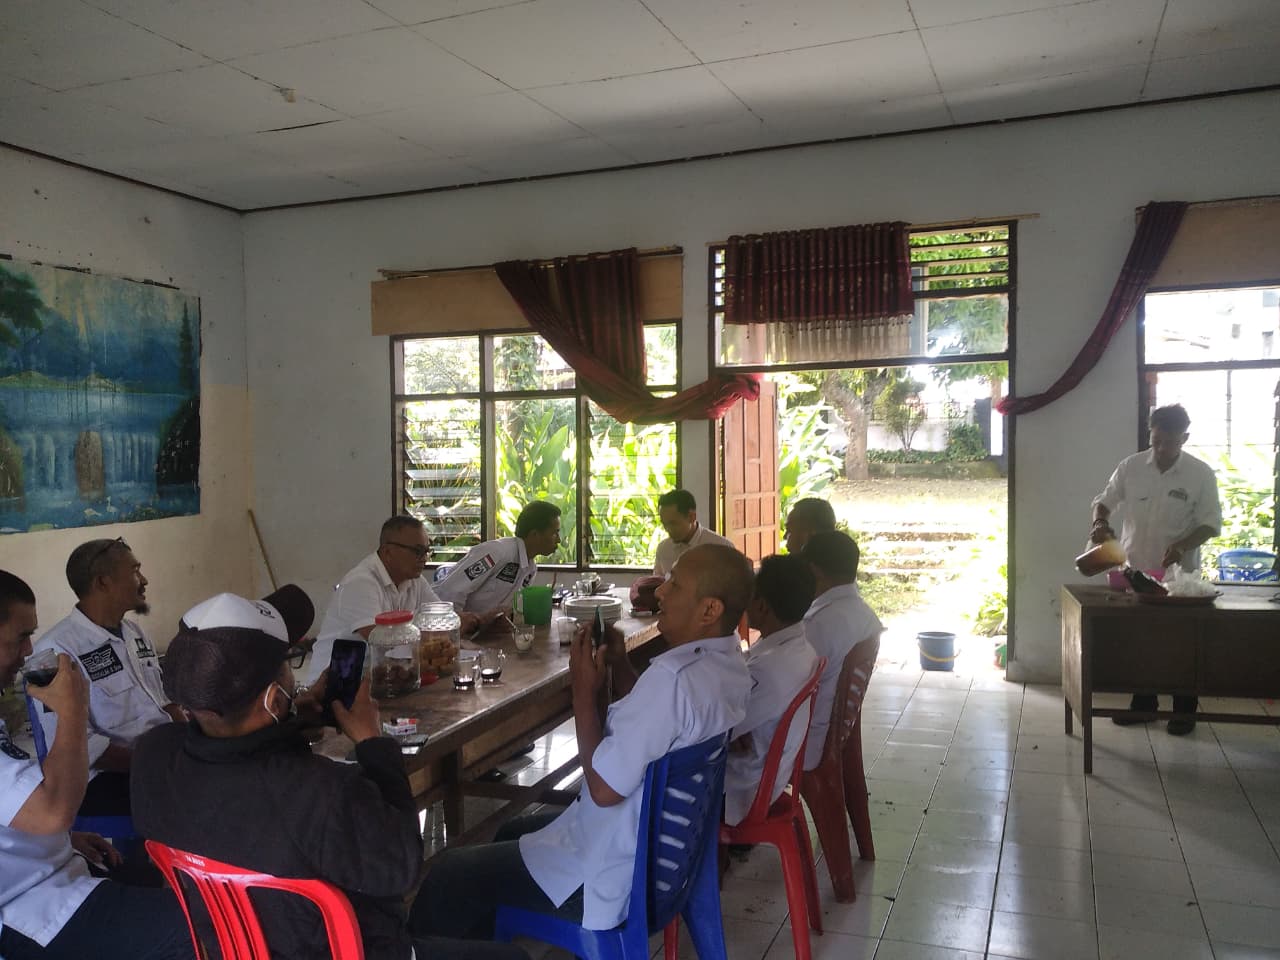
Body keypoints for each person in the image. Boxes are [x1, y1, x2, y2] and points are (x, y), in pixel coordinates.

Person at [130, 589, 526, 960]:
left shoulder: (152, 757)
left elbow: (241, 772)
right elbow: (400, 866)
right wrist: (372, 742)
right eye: (289, 665)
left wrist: (291, 722)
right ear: (272, 699)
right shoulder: (323, 791)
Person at [411, 543, 754, 939]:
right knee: (512, 831)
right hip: (667, 859)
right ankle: (497, 941)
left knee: (448, 873)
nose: (660, 591)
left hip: (616, 877)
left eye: (674, 584)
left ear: (709, 610)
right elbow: (656, 725)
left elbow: (604, 790)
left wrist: (582, 694)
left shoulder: (673, 681)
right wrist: (619, 663)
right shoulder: (726, 663)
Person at [0, 570, 191, 960]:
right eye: (20, 637)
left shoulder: (133, 633)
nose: (28, 650)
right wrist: (72, 710)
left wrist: (60, 841)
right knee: (208, 931)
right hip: (29, 907)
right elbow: (53, 812)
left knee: (180, 892)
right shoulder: (64, 646)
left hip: (55, 869)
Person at [1090, 403, 1222, 735]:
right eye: (1156, 441)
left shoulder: (1200, 474)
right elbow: (1104, 501)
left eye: (1170, 442)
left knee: (1181, 645)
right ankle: (1144, 706)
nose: (1162, 449)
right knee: (1141, 642)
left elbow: (1210, 524)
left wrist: (1181, 546)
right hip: (1136, 572)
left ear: (1184, 438)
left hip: (1179, 579)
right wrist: (1100, 523)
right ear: (1150, 435)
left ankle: (1184, 712)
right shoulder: (1131, 467)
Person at [32, 538, 178, 817]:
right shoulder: (55, 651)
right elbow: (78, 747)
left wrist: (192, 740)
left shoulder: (135, 633)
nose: (143, 580)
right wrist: (155, 763)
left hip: (158, 758)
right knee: (199, 796)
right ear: (103, 582)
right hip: (103, 778)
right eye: (135, 571)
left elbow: (163, 701)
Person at [307, 515, 474, 685]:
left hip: (384, 678)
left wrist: (471, 621)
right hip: (333, 685)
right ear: (388, 552)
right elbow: (382, 642)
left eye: (426, 552)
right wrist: (438, 638)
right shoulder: (361, 582)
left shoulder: (414, 579)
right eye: (417, 551)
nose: (424, 558)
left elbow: (441, 618)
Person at [724, 554, 819, 826]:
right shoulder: (800, 648)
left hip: (743, 788)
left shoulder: (768, 669)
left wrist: (728, 734)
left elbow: (718, 732)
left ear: (762, 606)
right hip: (769, 774)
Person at [799, 531, 882, 770]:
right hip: (830, 734)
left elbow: (787, 683)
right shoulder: (862, 613)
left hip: (807, 743)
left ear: (813, 571)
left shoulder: (819, 625)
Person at [436, 501, 562, 616]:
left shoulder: (530, 569)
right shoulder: (497, 552)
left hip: (485, 630)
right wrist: (459, 626)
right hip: (451, 626)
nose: (559, 540)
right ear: (535, 534)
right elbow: (449, 592)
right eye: (554, 533)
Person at [652, 489, 732, 578]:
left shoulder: (722, 547)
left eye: (673, 523)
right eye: (664, 524)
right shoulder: (663, 549)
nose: (667, 529)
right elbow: (658, 582)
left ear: (691, 517)